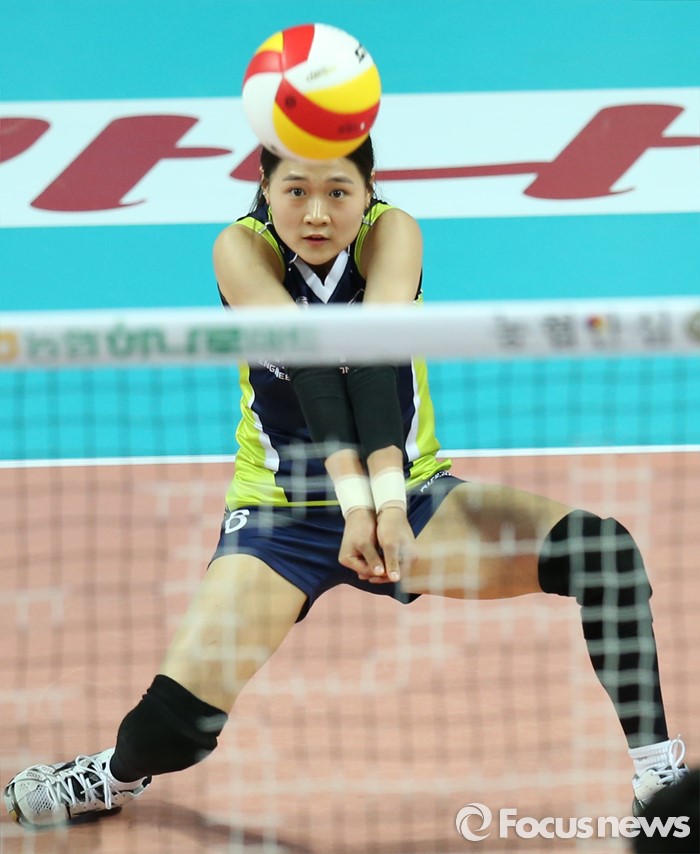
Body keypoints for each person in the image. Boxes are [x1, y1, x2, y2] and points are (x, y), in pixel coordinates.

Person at [3, 137, 689, 828]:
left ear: (368, 189)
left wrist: (386, 506)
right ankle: (112, 775)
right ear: (265, 187)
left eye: (338, 192)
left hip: (413, 500)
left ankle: (658, 777)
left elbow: (368, 365)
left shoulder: (392, 234)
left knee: (602, 554)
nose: (317, 213)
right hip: (280, 519)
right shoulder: (242, 251)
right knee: (176, 729)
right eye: (296, 190)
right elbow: (312, 371)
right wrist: (357, 509)